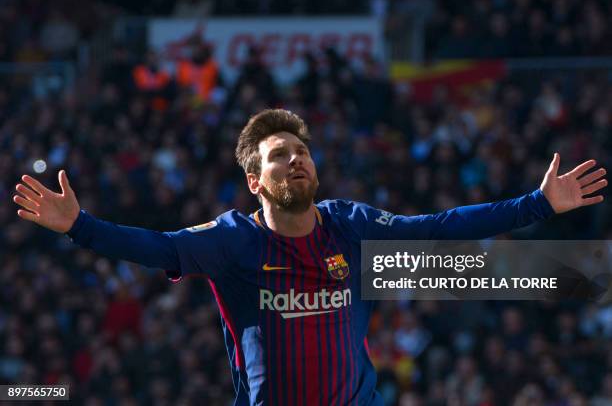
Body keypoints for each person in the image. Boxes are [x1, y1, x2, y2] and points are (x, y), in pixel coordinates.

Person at [12, 109, 607, 405]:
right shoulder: (232, 241)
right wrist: (81, 227)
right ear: (255, 181)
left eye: (301, 151)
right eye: (278, 155)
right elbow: (158, 247)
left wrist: (538, 205)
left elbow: (443, 227)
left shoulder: (352, 225)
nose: (295, 160)